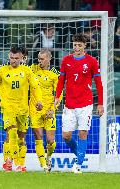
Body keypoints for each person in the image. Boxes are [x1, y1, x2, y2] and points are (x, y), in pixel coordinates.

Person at [0, 46, 42, 172]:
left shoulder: (26, 71)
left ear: (21, 58)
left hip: (23, 109)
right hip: (8, 107)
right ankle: (18, 164)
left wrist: (39, 101)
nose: (13, 60)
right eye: (11, 58)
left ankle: (8, 161)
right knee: (12, 133)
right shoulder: (3, 70)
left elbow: (36, 87)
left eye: (16, 58)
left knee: (20, 138)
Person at [54, 33, 104, 174]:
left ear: (85, 46)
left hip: (85, 104)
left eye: (79, 45)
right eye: (75, 45)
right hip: (69, 104)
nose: (76, 48)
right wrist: (57, 97)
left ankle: (78, 164)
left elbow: (99, 84)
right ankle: (81, 155)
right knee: (66, 136)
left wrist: (100, 104)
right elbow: (61, 81)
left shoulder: (92, 61)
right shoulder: (66, 60)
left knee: (83, 133)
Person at [30, 49, 61, 172]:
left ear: (49, 59)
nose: (40, 61)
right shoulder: (33, 69)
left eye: (42, 59)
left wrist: (53, 109)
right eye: (38, 58)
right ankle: (43, 165)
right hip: (34, 109)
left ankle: (48, 157)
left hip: (49, 111)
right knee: (38, 136)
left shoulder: (54, 74)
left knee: (50, 140)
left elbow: (59, 94)